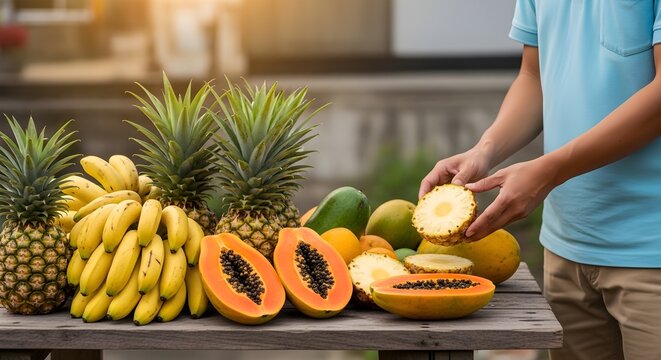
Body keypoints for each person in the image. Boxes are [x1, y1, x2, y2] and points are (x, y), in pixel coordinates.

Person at [418, 2, 661, 359]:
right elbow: (534, 76)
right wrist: (484, 151)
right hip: (565, 251)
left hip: (651, 254)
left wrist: (547, 172)